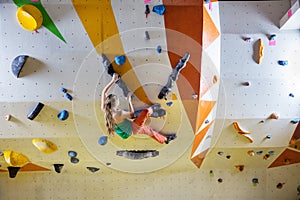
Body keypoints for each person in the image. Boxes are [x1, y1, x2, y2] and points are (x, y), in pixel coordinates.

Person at [101, 73, 176, 144]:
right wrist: (129, 100)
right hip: (134, 128)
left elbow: (104, 93)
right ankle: (154, 108)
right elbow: (132, 114)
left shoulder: (105, 109)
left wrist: (113, 80)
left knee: (149, 131)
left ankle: (165, 140)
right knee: (146, 111)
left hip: (129, 130)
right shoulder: (118, 113)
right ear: (116, 103)